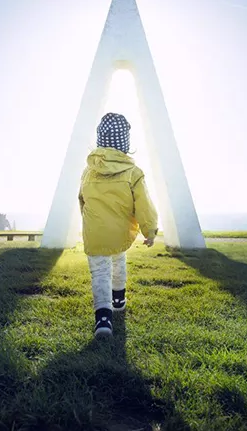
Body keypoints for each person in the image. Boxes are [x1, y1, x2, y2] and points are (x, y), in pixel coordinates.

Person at [79, 112, 158, 337]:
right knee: (118, 261)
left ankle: (103, 319)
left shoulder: (88, 170)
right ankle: (119, 299)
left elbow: (82, 198)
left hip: (94, 232)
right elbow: (144, 205)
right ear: (126, 142)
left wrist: (87, 223)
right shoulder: (133, 172)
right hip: (120, 232)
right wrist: (149, 230)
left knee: (100, 273)